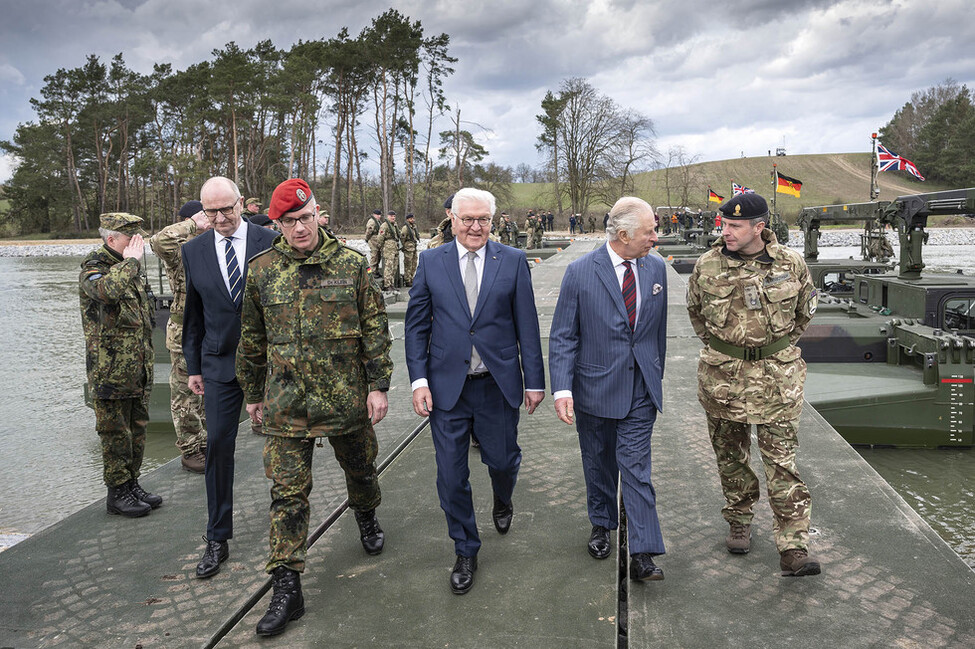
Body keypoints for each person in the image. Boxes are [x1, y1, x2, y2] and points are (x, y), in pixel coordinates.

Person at [237, 178, 393, 637]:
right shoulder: (262, 270)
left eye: (306, 218)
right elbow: (251, 338)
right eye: (290, 222)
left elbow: (375, 329)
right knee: (286, 495)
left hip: (345, 397)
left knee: (361, 469)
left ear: (317, 214)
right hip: (286, 402)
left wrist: (378, 386)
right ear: (277, 225)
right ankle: (287, 585)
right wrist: (252, 393)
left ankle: (365, 514)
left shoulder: (352, 264)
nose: (300, 228)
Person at [404, 187, 545, 595]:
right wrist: (418, 381)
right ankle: (466, 548)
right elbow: (416, 326)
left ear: (493, 220)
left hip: (496, 386)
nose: (476, 227)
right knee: (451, 476)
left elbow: (527, 326)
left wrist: (533, 380)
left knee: (502, 461)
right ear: (452, 219)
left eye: (483, 219)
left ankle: (503, 498)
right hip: (447, 388)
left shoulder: (513, 261)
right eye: (467, 219)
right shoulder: (431, 261)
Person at [686, 192, 821, 577]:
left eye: (735, 226)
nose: (725, 231)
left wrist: (774, 351)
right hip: (724, 381)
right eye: (724, 224)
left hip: (778, 382)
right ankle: (739, 520)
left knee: (782, 463)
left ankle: (794, 546)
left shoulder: (791, 264)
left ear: (759, 228)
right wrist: (726, 351)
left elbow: (804, 313)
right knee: (730, 457)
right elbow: (696, 314)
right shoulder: (707, 265)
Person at [549, 197, 668, 582]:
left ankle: (643, 552)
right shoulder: (580, 272)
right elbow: (564, 336)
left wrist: (654, 375)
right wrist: (562, 390)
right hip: (595, 389)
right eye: (649, 231)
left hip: (639, 391)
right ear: (623, 235)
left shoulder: (657, 270)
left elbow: (657, 334)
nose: (656, 237)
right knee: (598, 462)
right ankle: (602, 523)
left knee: (636, 469)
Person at [182, 176, 277, 579]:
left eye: (226, 209)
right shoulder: (194, 251)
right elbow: (193, 313)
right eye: (211, 211)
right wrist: (194, 367)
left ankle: (286, 529)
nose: (219, 218)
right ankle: (217, 537)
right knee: (218, 445)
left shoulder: (271, 240)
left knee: (285, 446)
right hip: (220, 363)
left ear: (242, 203)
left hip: (271, 362)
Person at [79, 212, 162, 517]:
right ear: (111, 239)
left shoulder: (129, 268)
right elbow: (106, 293)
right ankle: (116, 493)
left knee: (137, 429)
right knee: (115, 433)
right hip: (110, 372)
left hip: (137, 369)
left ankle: (132, 484)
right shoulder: (94, 268)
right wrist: (131, 262)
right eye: (132, 238)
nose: (138, 244)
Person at [148, 200, 210, 473]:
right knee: (185, 394)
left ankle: (206, 442)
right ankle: (190, 449)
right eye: (202, 216)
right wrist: (194, 223)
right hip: (185, 330)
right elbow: (159, 241)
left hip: (211, 329)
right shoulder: (179, 251)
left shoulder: (212, 245)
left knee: (208, 392)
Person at [376, 210, 401, 290]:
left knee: (394, 267)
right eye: (391, 216)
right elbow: (380, 238)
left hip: (395, 247)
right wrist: (381, 247)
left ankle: (391, 284)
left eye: (394, 216)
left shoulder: (394, 225)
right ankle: (387, 284)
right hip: (388, 248)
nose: (393, 218)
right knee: (388, 266)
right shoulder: (384, 225)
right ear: (388, 217)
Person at [401, 212, 421, 286]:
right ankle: (407, 280)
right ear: (407, 219)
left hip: (414, 247)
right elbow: (402, 238)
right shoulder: (405, 228)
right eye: (411, 218)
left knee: (414, 264)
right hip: (408, 248)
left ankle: (412, 278)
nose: (412, 220)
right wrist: (403, 247)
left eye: (413, 218)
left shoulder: (413, 227)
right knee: (408, 264)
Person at [364, 209, 383, 277]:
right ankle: (371, 272)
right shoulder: (372, 221)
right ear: (374, 215)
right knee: (374, 256)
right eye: (378, 215)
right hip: (372, 240)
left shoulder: (377, 221)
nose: (379, 216)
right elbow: (369, 231)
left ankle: (376, 270)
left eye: (380, 215)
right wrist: (367, 238)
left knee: (378, 256)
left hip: (376, 240)